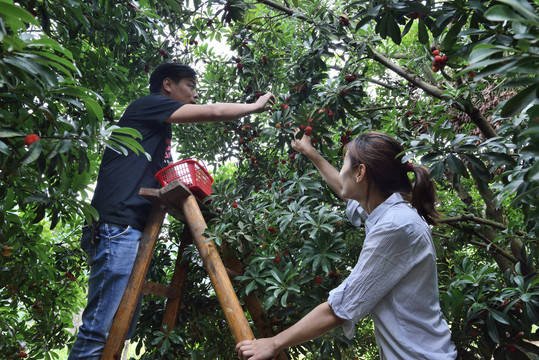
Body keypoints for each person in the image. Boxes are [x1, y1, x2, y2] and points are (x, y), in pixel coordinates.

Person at [69, 62, 275, 359]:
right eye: (190, 86)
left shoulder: (156, 128)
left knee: (119, 329)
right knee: (98, 330)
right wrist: (255, 106)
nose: (194, 95)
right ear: (168, 85)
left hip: (130, 230)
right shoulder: (148, 105)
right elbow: (214, 112)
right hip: (117, 227)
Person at [236, 131, 457, 359]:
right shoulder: (388, 213)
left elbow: (342, 306)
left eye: (344, 164)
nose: (341, 172)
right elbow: (348, 195)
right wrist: (310, 153)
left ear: (360, 172)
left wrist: (273, 343)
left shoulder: (396, 226)